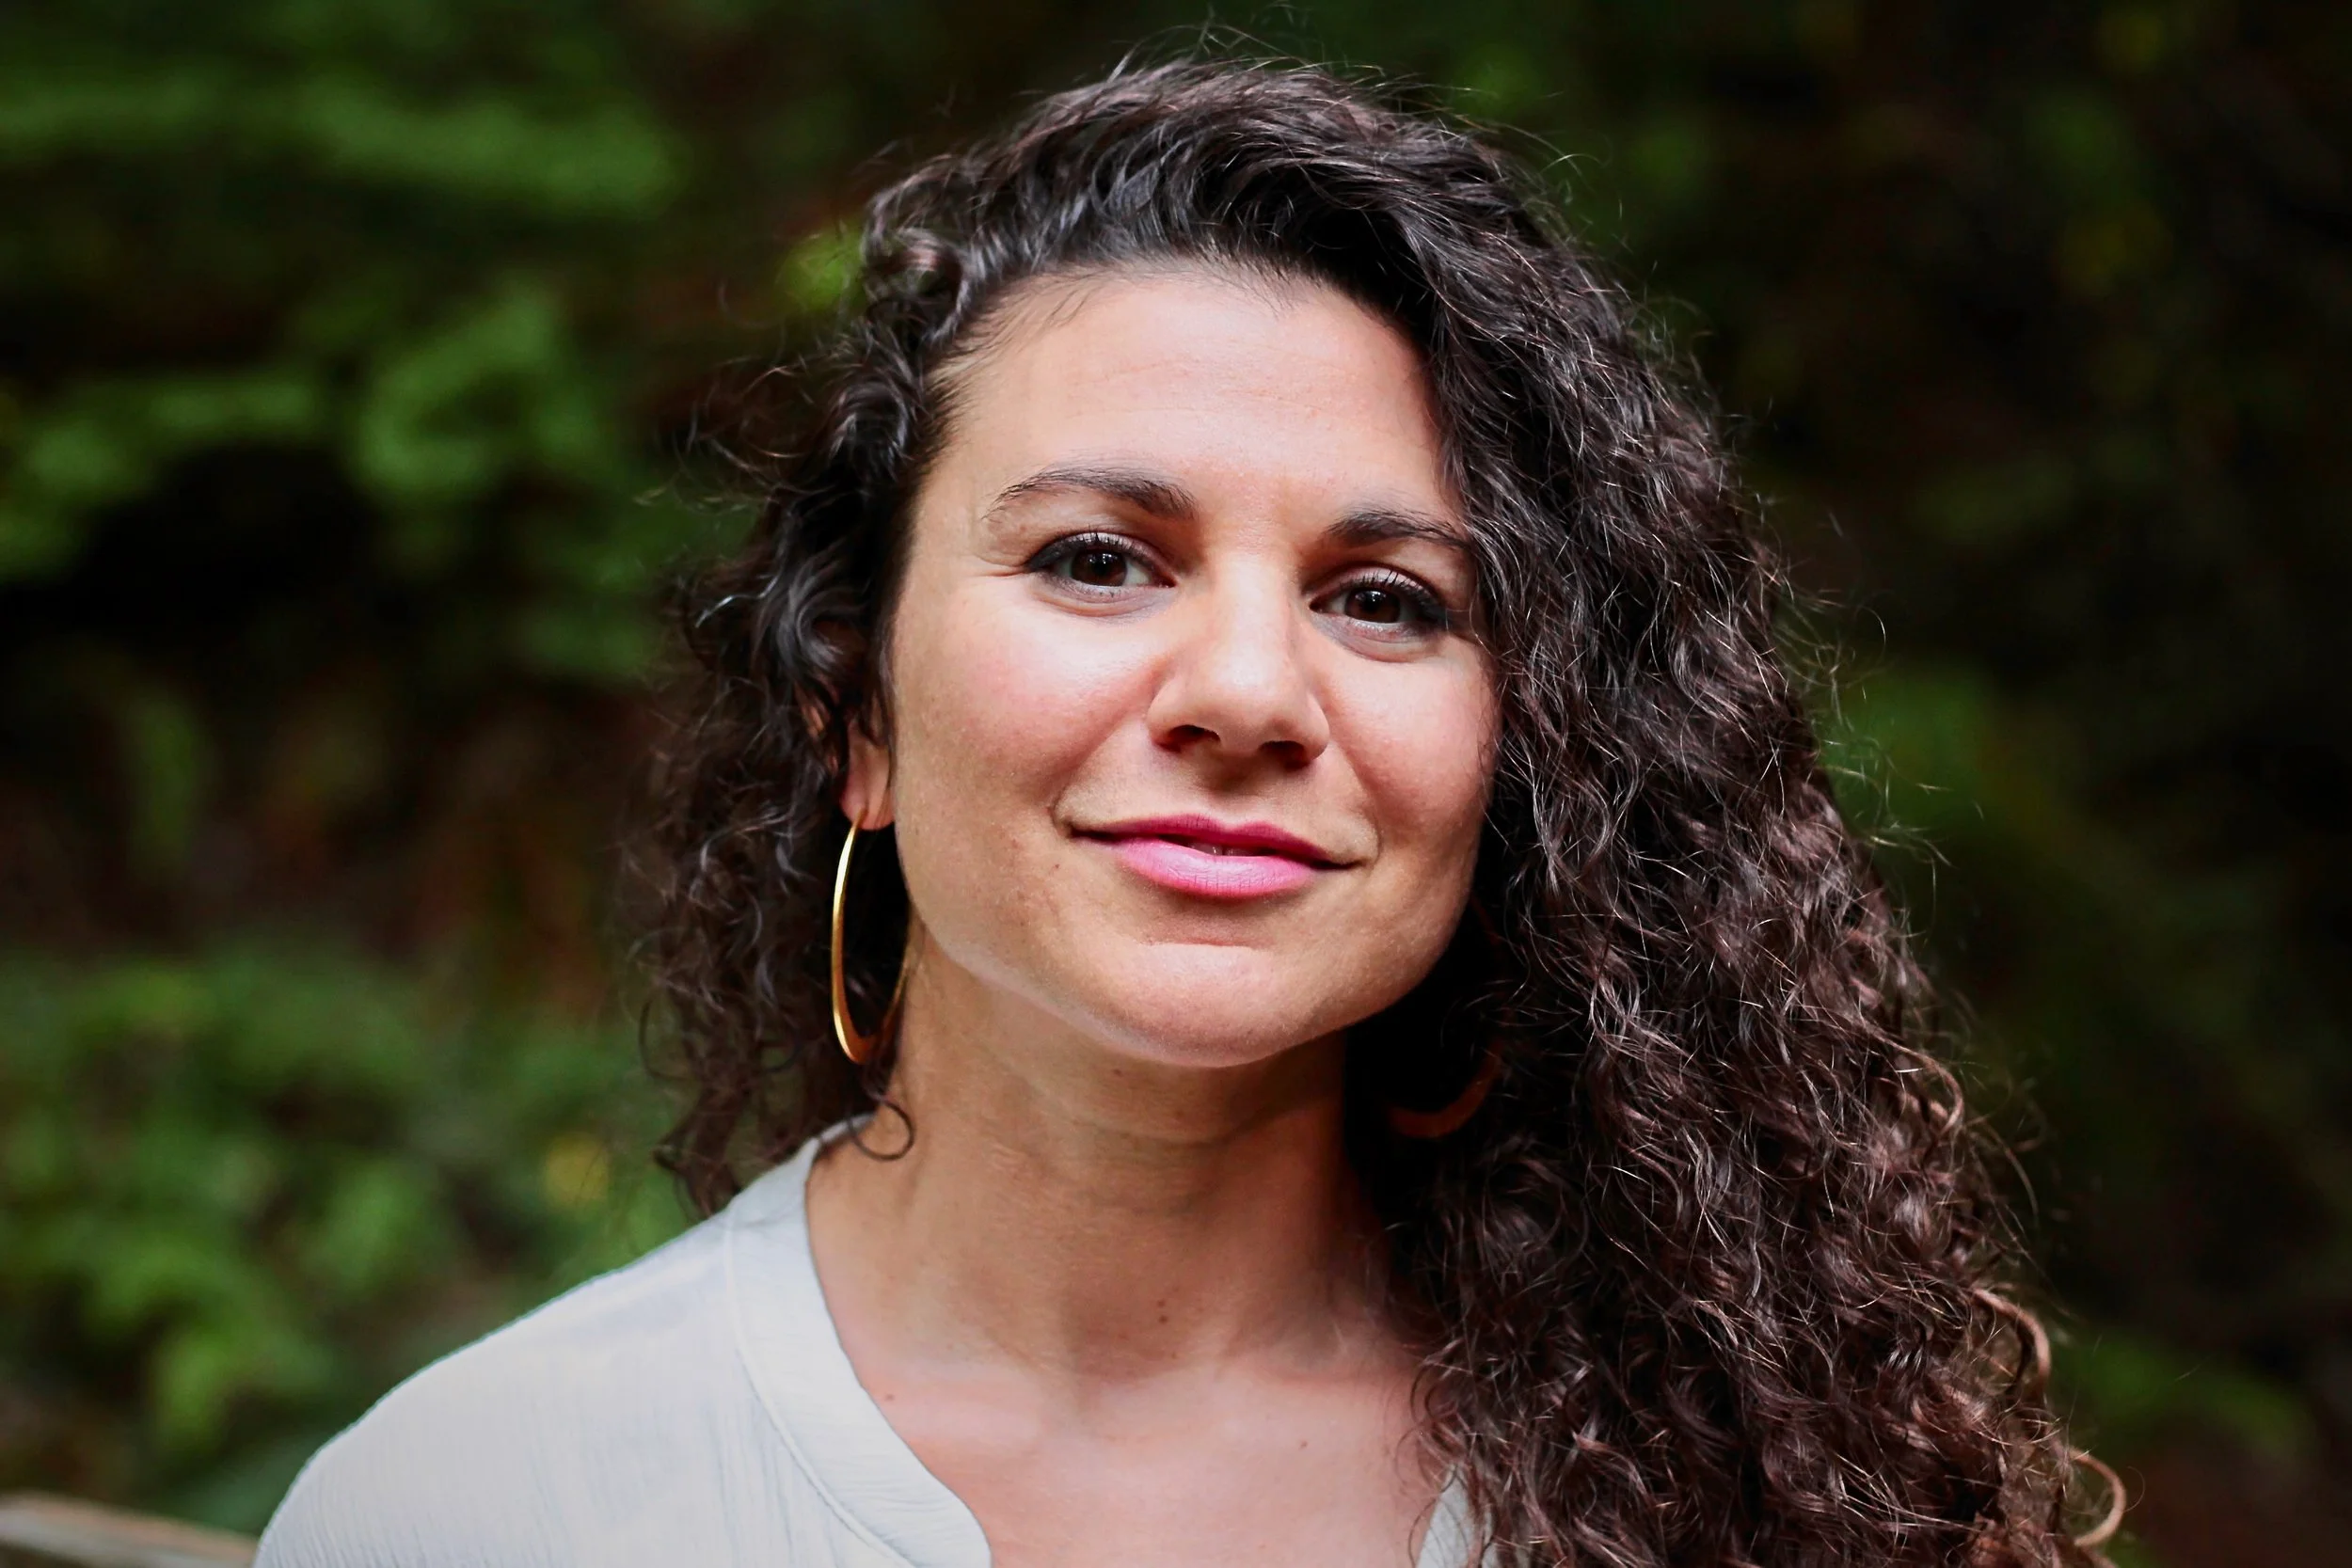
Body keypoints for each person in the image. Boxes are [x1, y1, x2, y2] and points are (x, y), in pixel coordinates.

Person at [255, 59, 2115, 1568]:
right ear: (856, 719)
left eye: (1384, 595)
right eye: (1094, 557)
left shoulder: (1766, 1489)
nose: (1242, 693)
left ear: (1529, 749)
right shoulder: (473, 1510)